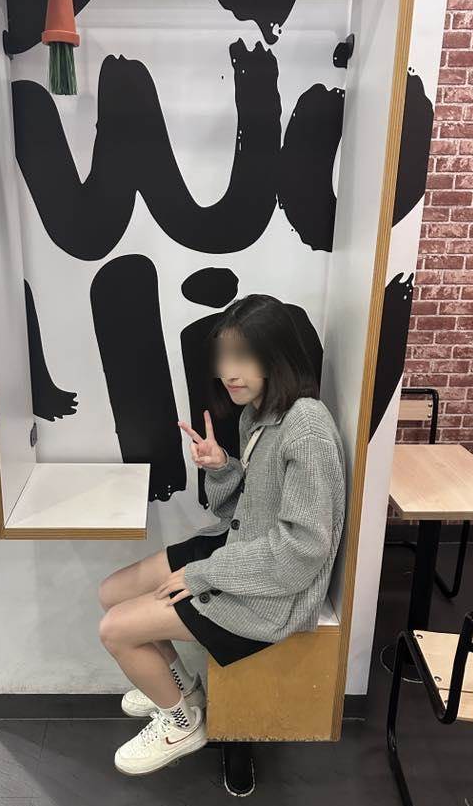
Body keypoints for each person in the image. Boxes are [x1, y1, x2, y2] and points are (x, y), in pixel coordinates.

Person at [98, 293, 346, 776]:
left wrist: (203, 574)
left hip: (275, 594)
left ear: (276, 355)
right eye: (224, 358)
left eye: (243, 356)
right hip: (241, 546)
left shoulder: (307, 428)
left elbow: (302, 550)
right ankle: (183, 692)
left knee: (116, 630)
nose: (229, 372)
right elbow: (244, 507)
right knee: (113, 593)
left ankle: (182, 724)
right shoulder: (260, 412)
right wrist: (222, 467)